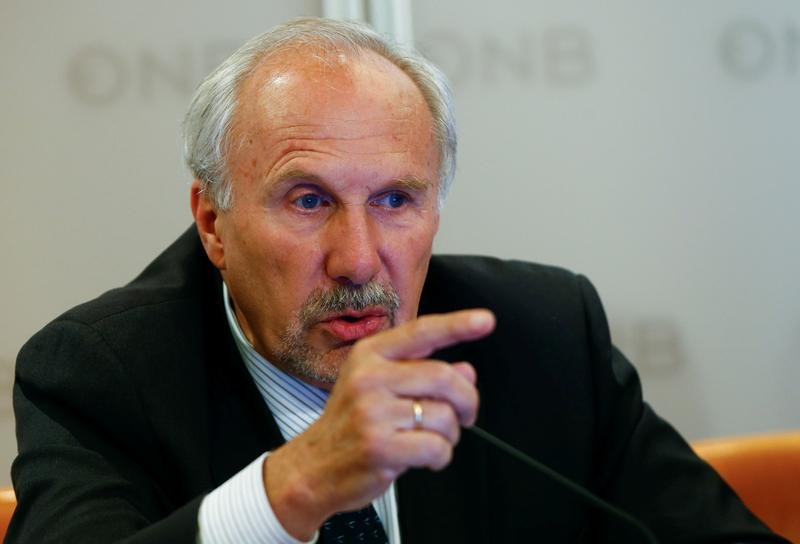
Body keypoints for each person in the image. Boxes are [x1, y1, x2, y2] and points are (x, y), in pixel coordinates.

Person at [9, 17, 788, 544]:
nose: (357, 258)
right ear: (213, 223)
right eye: (308, 200)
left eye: (395, 200)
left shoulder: (543, 337)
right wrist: (292, 490)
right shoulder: (97, 374)